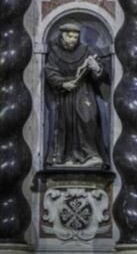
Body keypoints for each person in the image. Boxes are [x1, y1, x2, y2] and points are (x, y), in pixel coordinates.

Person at [44, 23, 110, 168]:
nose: (73, 39)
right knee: (65, 124)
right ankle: (65, 158)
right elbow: (50, 72)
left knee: (88, 119)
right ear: (62, 36)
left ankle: (92, 155)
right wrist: (63, 83)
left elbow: (103, 74)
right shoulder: (54, 53)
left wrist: (96, 68)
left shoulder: (87, 50)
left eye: (76, 37)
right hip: (65, 94)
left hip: (84, 92)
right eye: (70, 36)